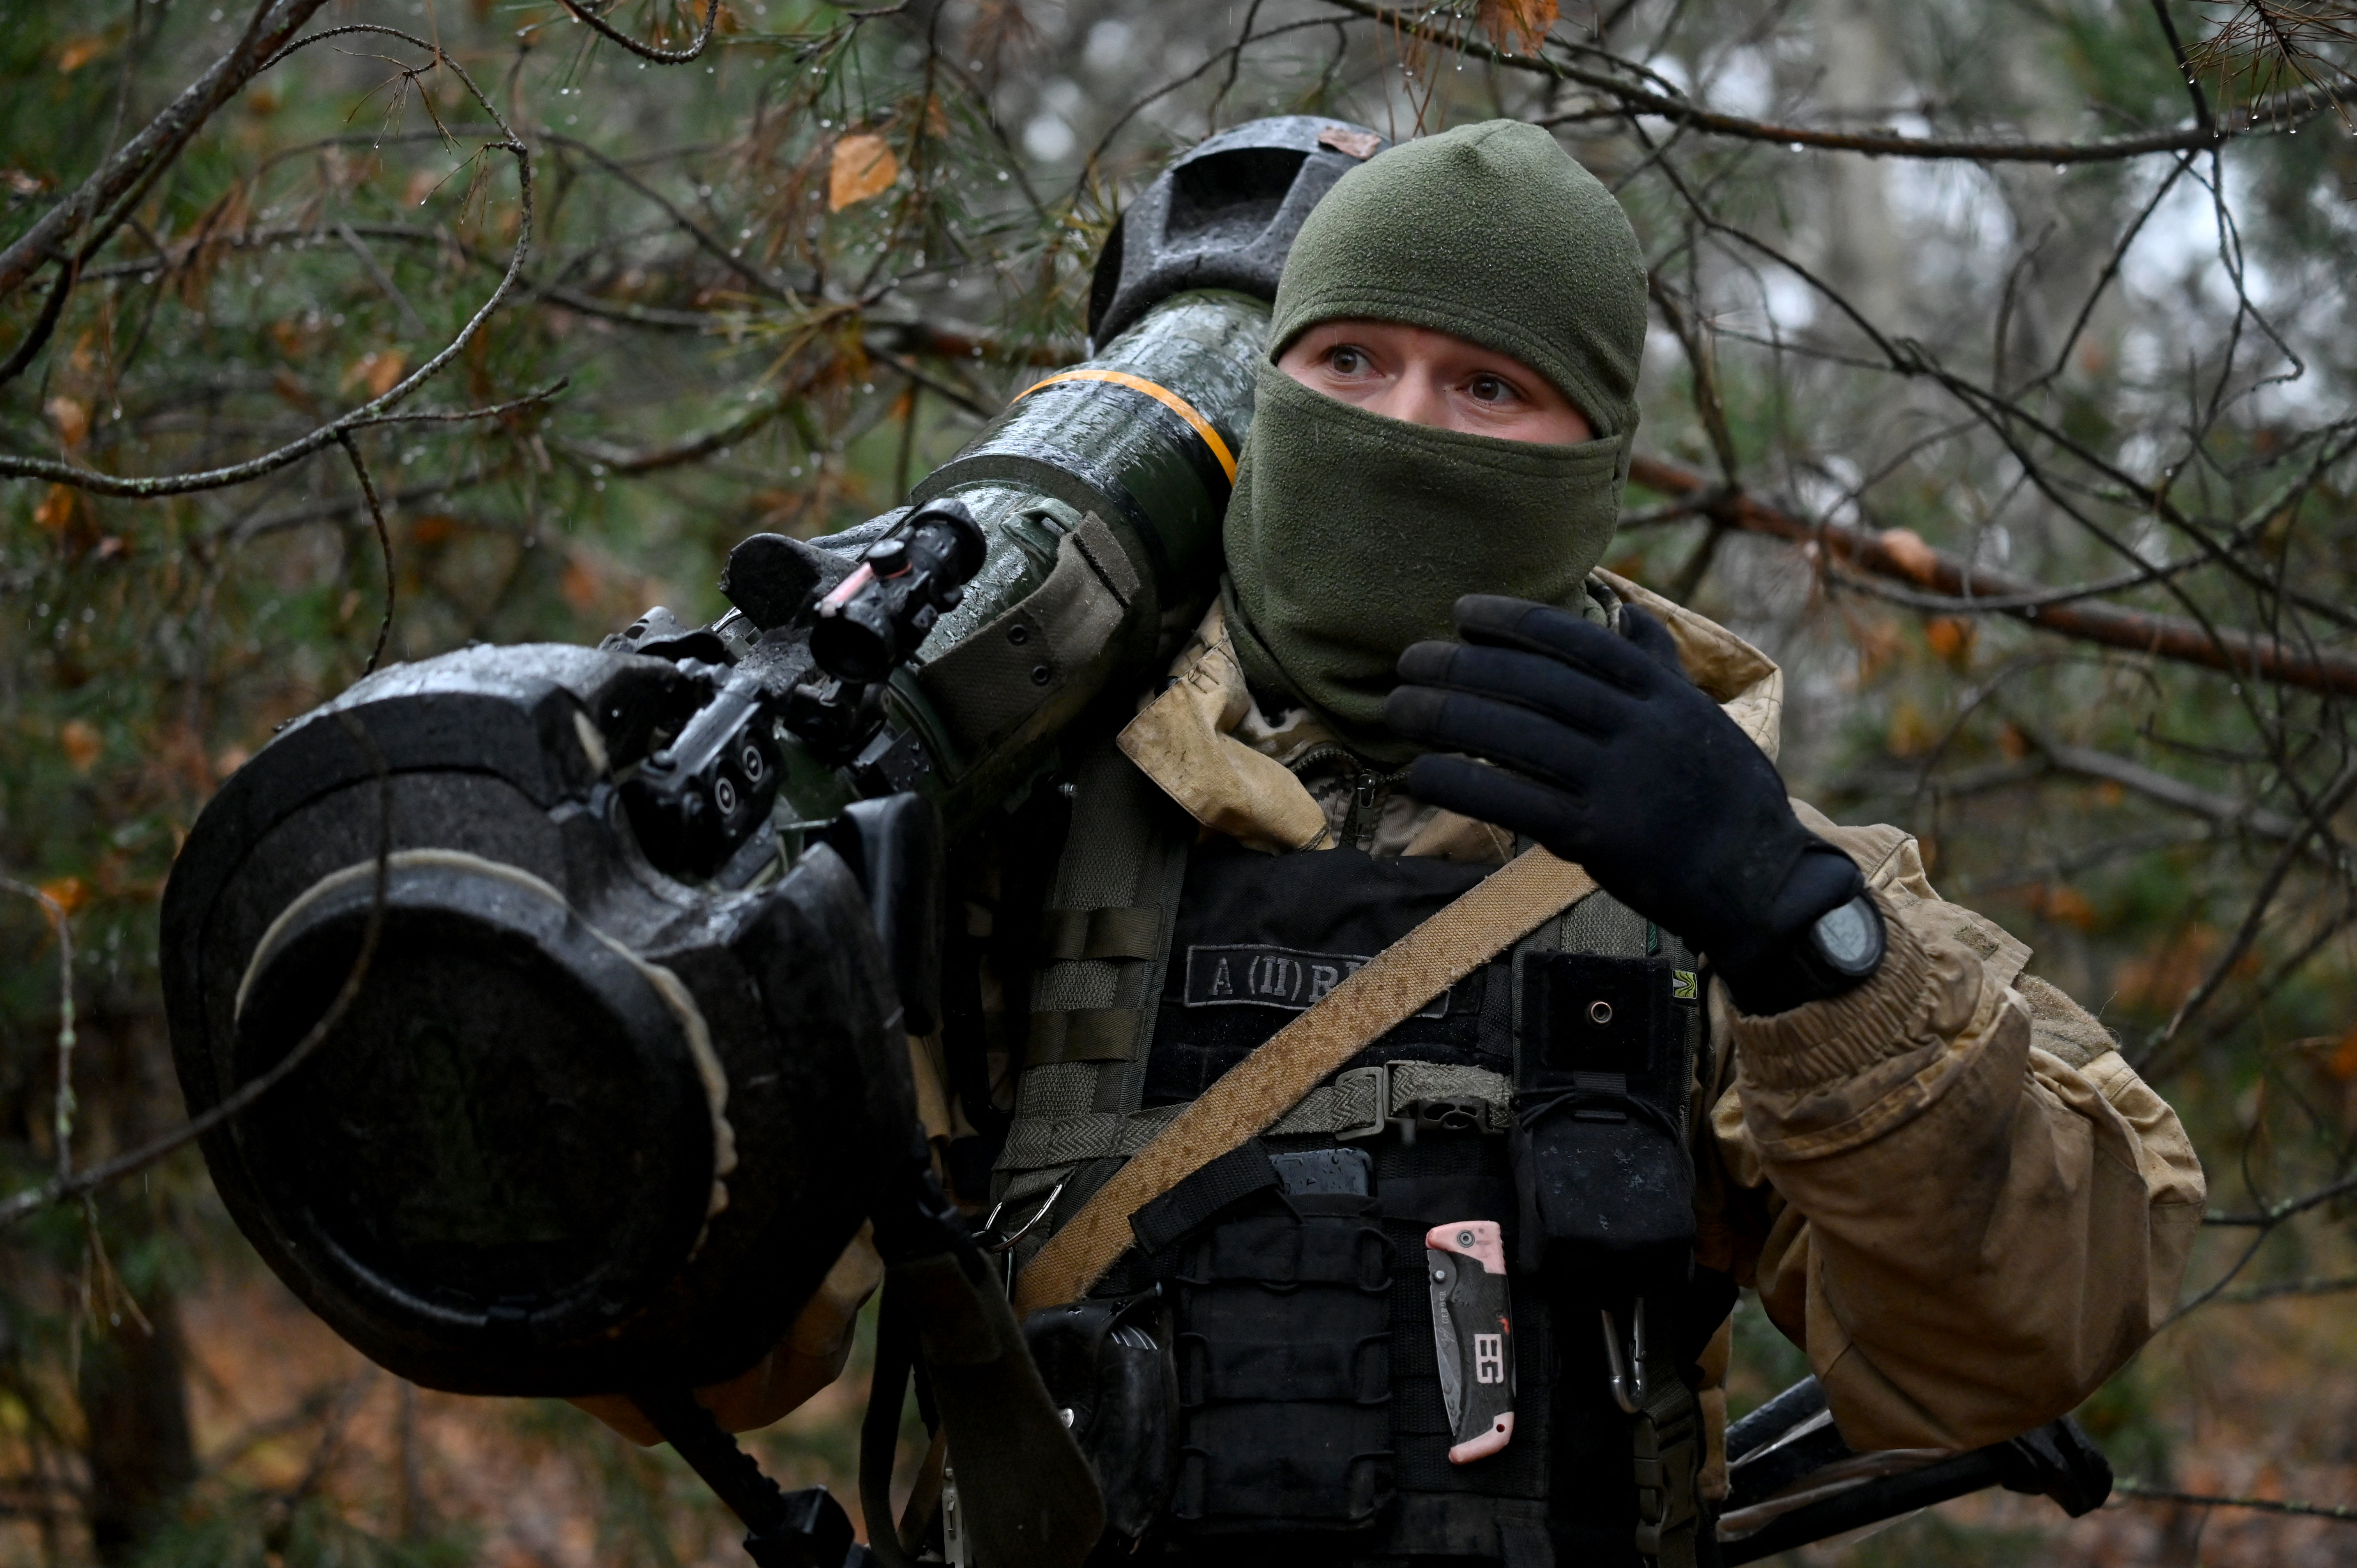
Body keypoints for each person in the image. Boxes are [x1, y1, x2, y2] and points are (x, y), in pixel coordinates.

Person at [972, 120, 2203, 1567]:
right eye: (1351, 362)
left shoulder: (1729, 864)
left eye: (1489, 385)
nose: (1411, 423)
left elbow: (2037, 1328)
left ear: (1596, 463)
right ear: (1272, 388)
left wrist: (1801, 930)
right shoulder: (1023, 815)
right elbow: (724, 1344)